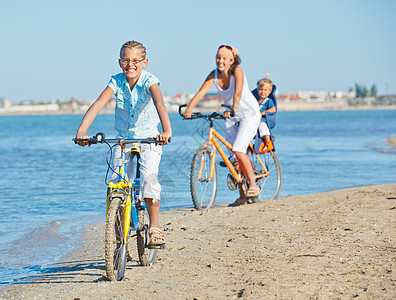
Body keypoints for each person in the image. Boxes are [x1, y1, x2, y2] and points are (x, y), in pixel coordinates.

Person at [75, 41, 172, 247]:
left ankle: (155, 226)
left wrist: (166, 131)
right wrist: (82, 132)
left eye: (136, 60)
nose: (131, 64)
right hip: (123, 139)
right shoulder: (116, 81)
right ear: (120, 62)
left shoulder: (150, 80)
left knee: (149, 179)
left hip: (149, 138)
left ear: (144, 62)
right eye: (126, 60)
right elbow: (99, 104)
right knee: (115, 186)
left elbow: (159, 103)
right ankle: (119, 240)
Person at [183, 45, 261, 206]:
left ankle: (253, 185)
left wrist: (233, 108)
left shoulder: (237, 71)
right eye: (218, 57)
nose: (220, 61)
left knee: (239, 149)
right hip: (231, 116)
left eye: (224, 58)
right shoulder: (214, 74)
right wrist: (188, 109)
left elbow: (237, 93)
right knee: (233, 157)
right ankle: (242, 196)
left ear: (232, 60)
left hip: (248, 114)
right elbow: (200, 93)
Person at [251, 78, 277, 149]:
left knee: (262, 125)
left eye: (265, 90)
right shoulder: (255, 101)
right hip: (255, 119)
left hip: (264, 119)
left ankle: (267, 141)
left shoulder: (268, 101)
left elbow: (273, 109)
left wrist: (262, 113)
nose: (263, 92)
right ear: (257, 90)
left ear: (269, 91)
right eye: (260, 89)